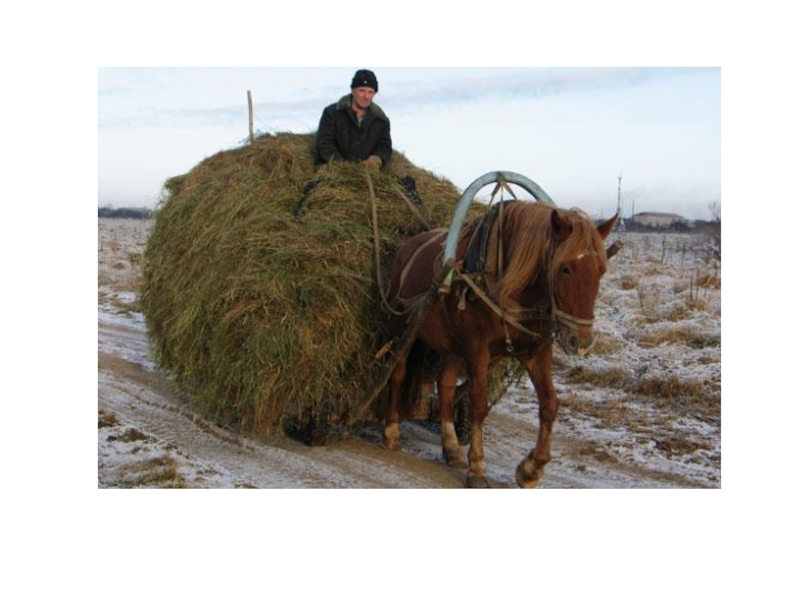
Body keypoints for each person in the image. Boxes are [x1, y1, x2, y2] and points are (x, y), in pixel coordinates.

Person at [315, 69, 392, 170]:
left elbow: (384, 146)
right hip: (334, 168)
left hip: (366, 172)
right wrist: (342, 166)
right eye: (362, 91)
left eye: (370, 92)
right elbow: (325, 143)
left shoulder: (382, 120)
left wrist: (376, 160)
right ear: (353, 90)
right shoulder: (332, 113)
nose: (366, 96)